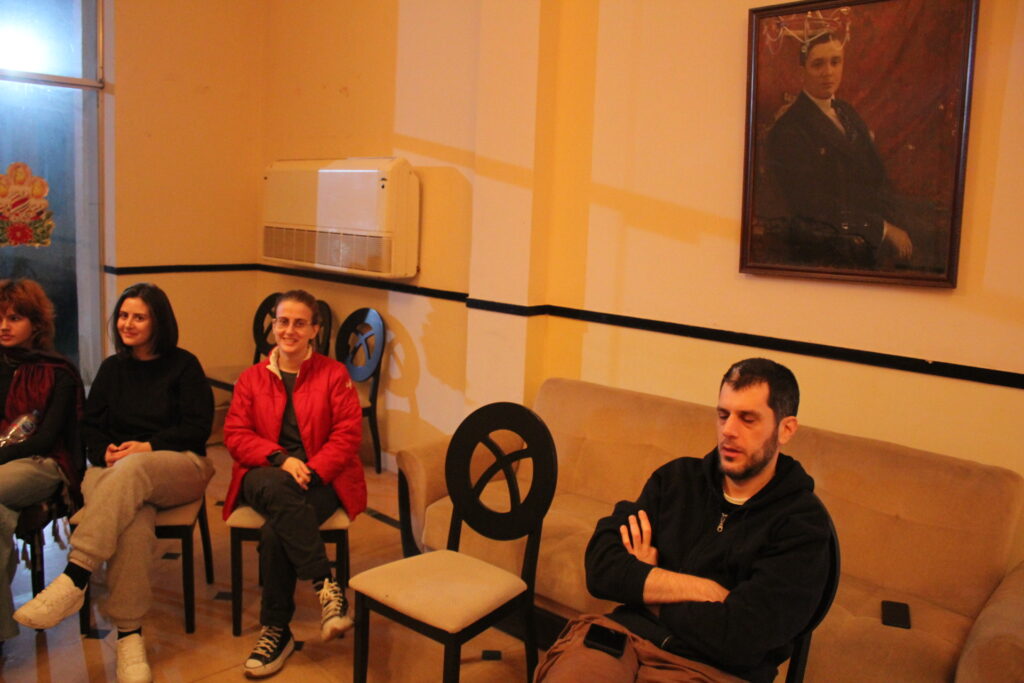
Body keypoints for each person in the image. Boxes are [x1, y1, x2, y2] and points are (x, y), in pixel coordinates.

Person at [535, 358, 832, 683]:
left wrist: (646, 587)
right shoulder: (677, 479)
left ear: (786, 429)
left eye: (747, 419)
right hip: (622, 638)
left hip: (709, 669)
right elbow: (601, 566)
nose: (728, 430)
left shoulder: (802, 523)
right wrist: (701, 589)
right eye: (723, 415)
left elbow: (740, 636)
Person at [14, 283, 214, 683]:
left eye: (139, 317)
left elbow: (197, 428)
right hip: (115, 471)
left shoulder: (184, 365)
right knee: (133, 521)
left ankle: (77, 574)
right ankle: (129, 637)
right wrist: (103, 450)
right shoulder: (111, 369)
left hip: (177, 465)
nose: (128, 324)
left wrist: (148, 447)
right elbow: (91, 426)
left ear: (159, 322)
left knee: (134, 471)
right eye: (123, 315)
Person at [223, 289, 364, 678]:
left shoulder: (334, 375)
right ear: (273, 325)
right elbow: (235, 435)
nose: (289, 330)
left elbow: (347, 435)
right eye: (283, 321)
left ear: (314, 330)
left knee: (275, 533)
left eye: (300, 323)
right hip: (263, 473)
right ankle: (326, 585)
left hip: (320, 478)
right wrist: (281, 459)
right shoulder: (251, 378)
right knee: (275, 487)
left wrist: (312, 471)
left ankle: (276, 631)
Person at [764, 33, 934, 271]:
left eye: (835, 62)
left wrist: (897, 218)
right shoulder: (790, 128)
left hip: (871, 217)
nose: (828, 72)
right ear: (802, 71)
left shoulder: (846, 111)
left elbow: (876, 176)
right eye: (818, 64)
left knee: (934, 232)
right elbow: (811, 204)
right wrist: (882, 229)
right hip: (831, 238)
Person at [0, 279, 85, 649]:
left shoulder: (57, 370)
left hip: (43, 463)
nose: (3, 326)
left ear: (36, 324)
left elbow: (45, 438)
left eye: (14, 318)